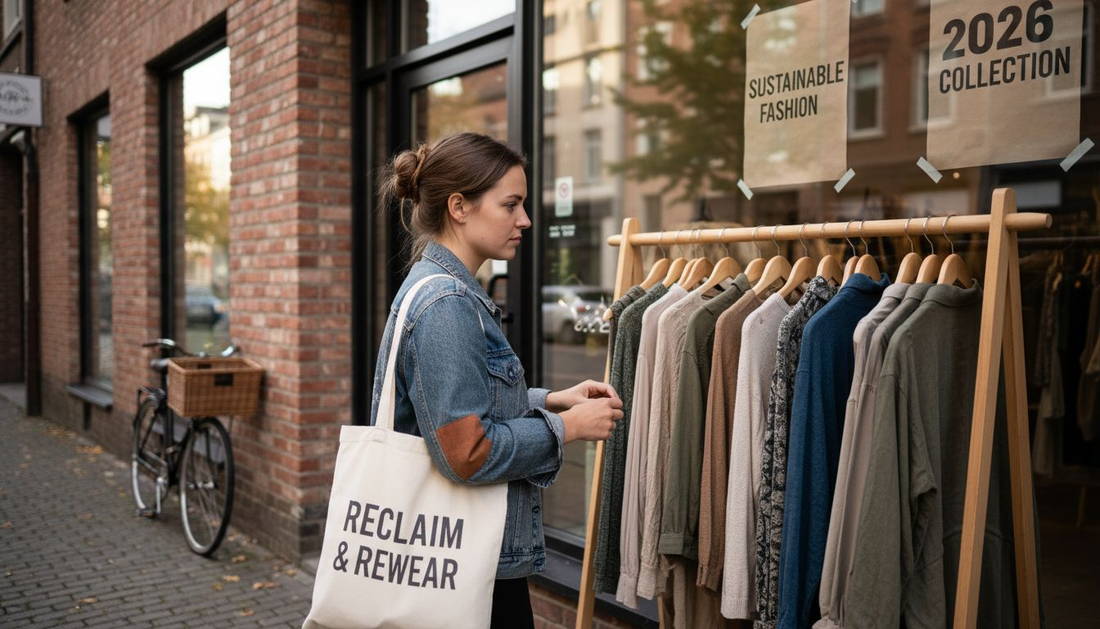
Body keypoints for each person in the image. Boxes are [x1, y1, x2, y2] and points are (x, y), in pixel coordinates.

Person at [370, 132, 624, 628]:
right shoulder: (447, 304)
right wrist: (567, 428)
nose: (524, 220)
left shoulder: (432, 285)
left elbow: (454, 402)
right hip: (465, 568)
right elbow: (466, 452)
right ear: (460, 207)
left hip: (455, 561)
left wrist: (550, 399)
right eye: (511, 204)